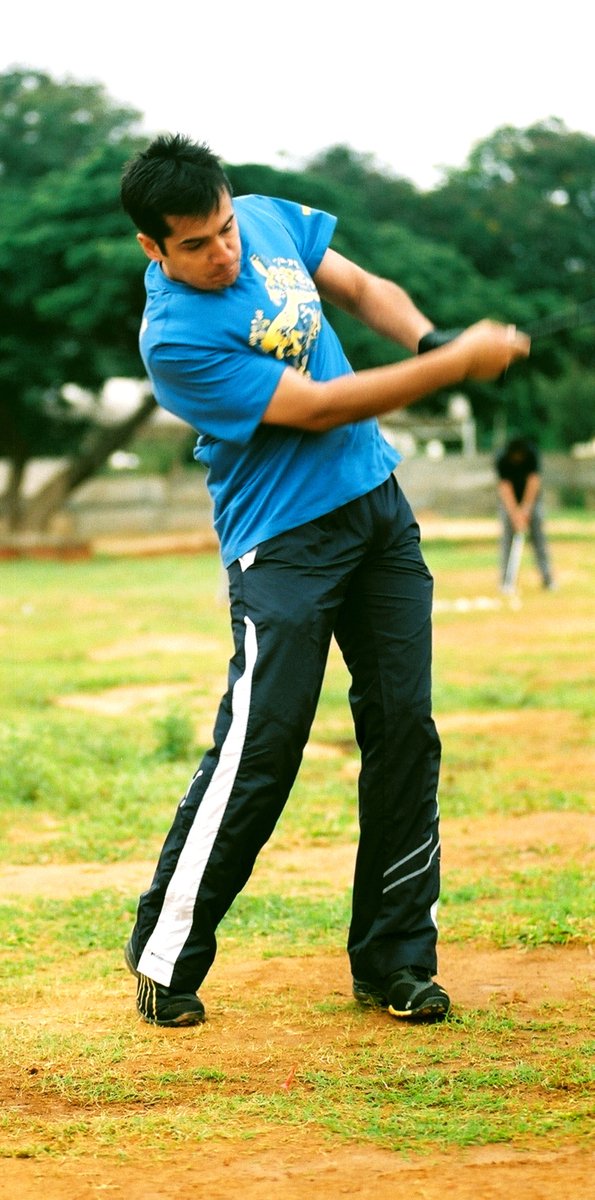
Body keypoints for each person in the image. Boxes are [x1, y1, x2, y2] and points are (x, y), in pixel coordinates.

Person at [119, 133, 530, 1029]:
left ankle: (394, 961)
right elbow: (315, 408)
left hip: (377, 508)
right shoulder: (175, 339)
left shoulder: (265, 220)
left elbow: (357, 286)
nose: (222, 250)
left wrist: (429, 334)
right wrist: (448, 368)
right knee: (262, 746)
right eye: (194, 244)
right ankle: (165, 952)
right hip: (283, 545)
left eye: (223, 228)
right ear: (154, 247)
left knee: (403, 732)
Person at [496, 436, 554, 589]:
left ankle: (547, 579)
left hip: (532, 501)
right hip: (510, 503)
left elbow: (533, 481)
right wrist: (515, 514)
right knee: (507, 540)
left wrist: (526, 509)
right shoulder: (502, 458)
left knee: (539, 540)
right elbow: (504, 487)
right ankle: (506, 581)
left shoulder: (531, 454)